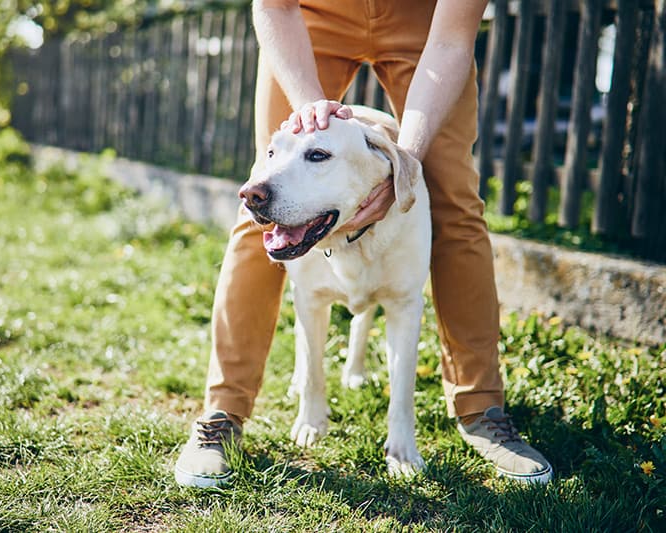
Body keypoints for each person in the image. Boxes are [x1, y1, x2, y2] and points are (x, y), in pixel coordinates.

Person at [174, 0, 553, 488]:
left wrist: (404, 164)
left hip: (427, 21)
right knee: (262, 206)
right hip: (307, 13)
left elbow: (452, 39)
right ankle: (223, 414)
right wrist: (311, 111)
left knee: (455, 203)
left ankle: (482, 411)